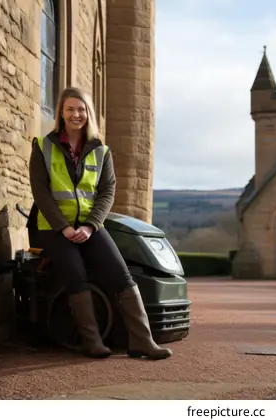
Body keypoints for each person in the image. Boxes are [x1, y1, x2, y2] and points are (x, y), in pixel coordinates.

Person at [28, 86, 172, 360]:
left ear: (88, 114)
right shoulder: (43, 147)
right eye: (70, 109)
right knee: (76, 274)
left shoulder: (101, 150)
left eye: (81, 109)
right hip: (53, 228)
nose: (76, 114)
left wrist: (90, 225)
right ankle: (92, 342)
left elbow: (107, 191)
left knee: (122, 275)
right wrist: (65, 227)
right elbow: (41, 192)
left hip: (90, 227)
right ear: (61, 112)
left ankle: (142, 341)